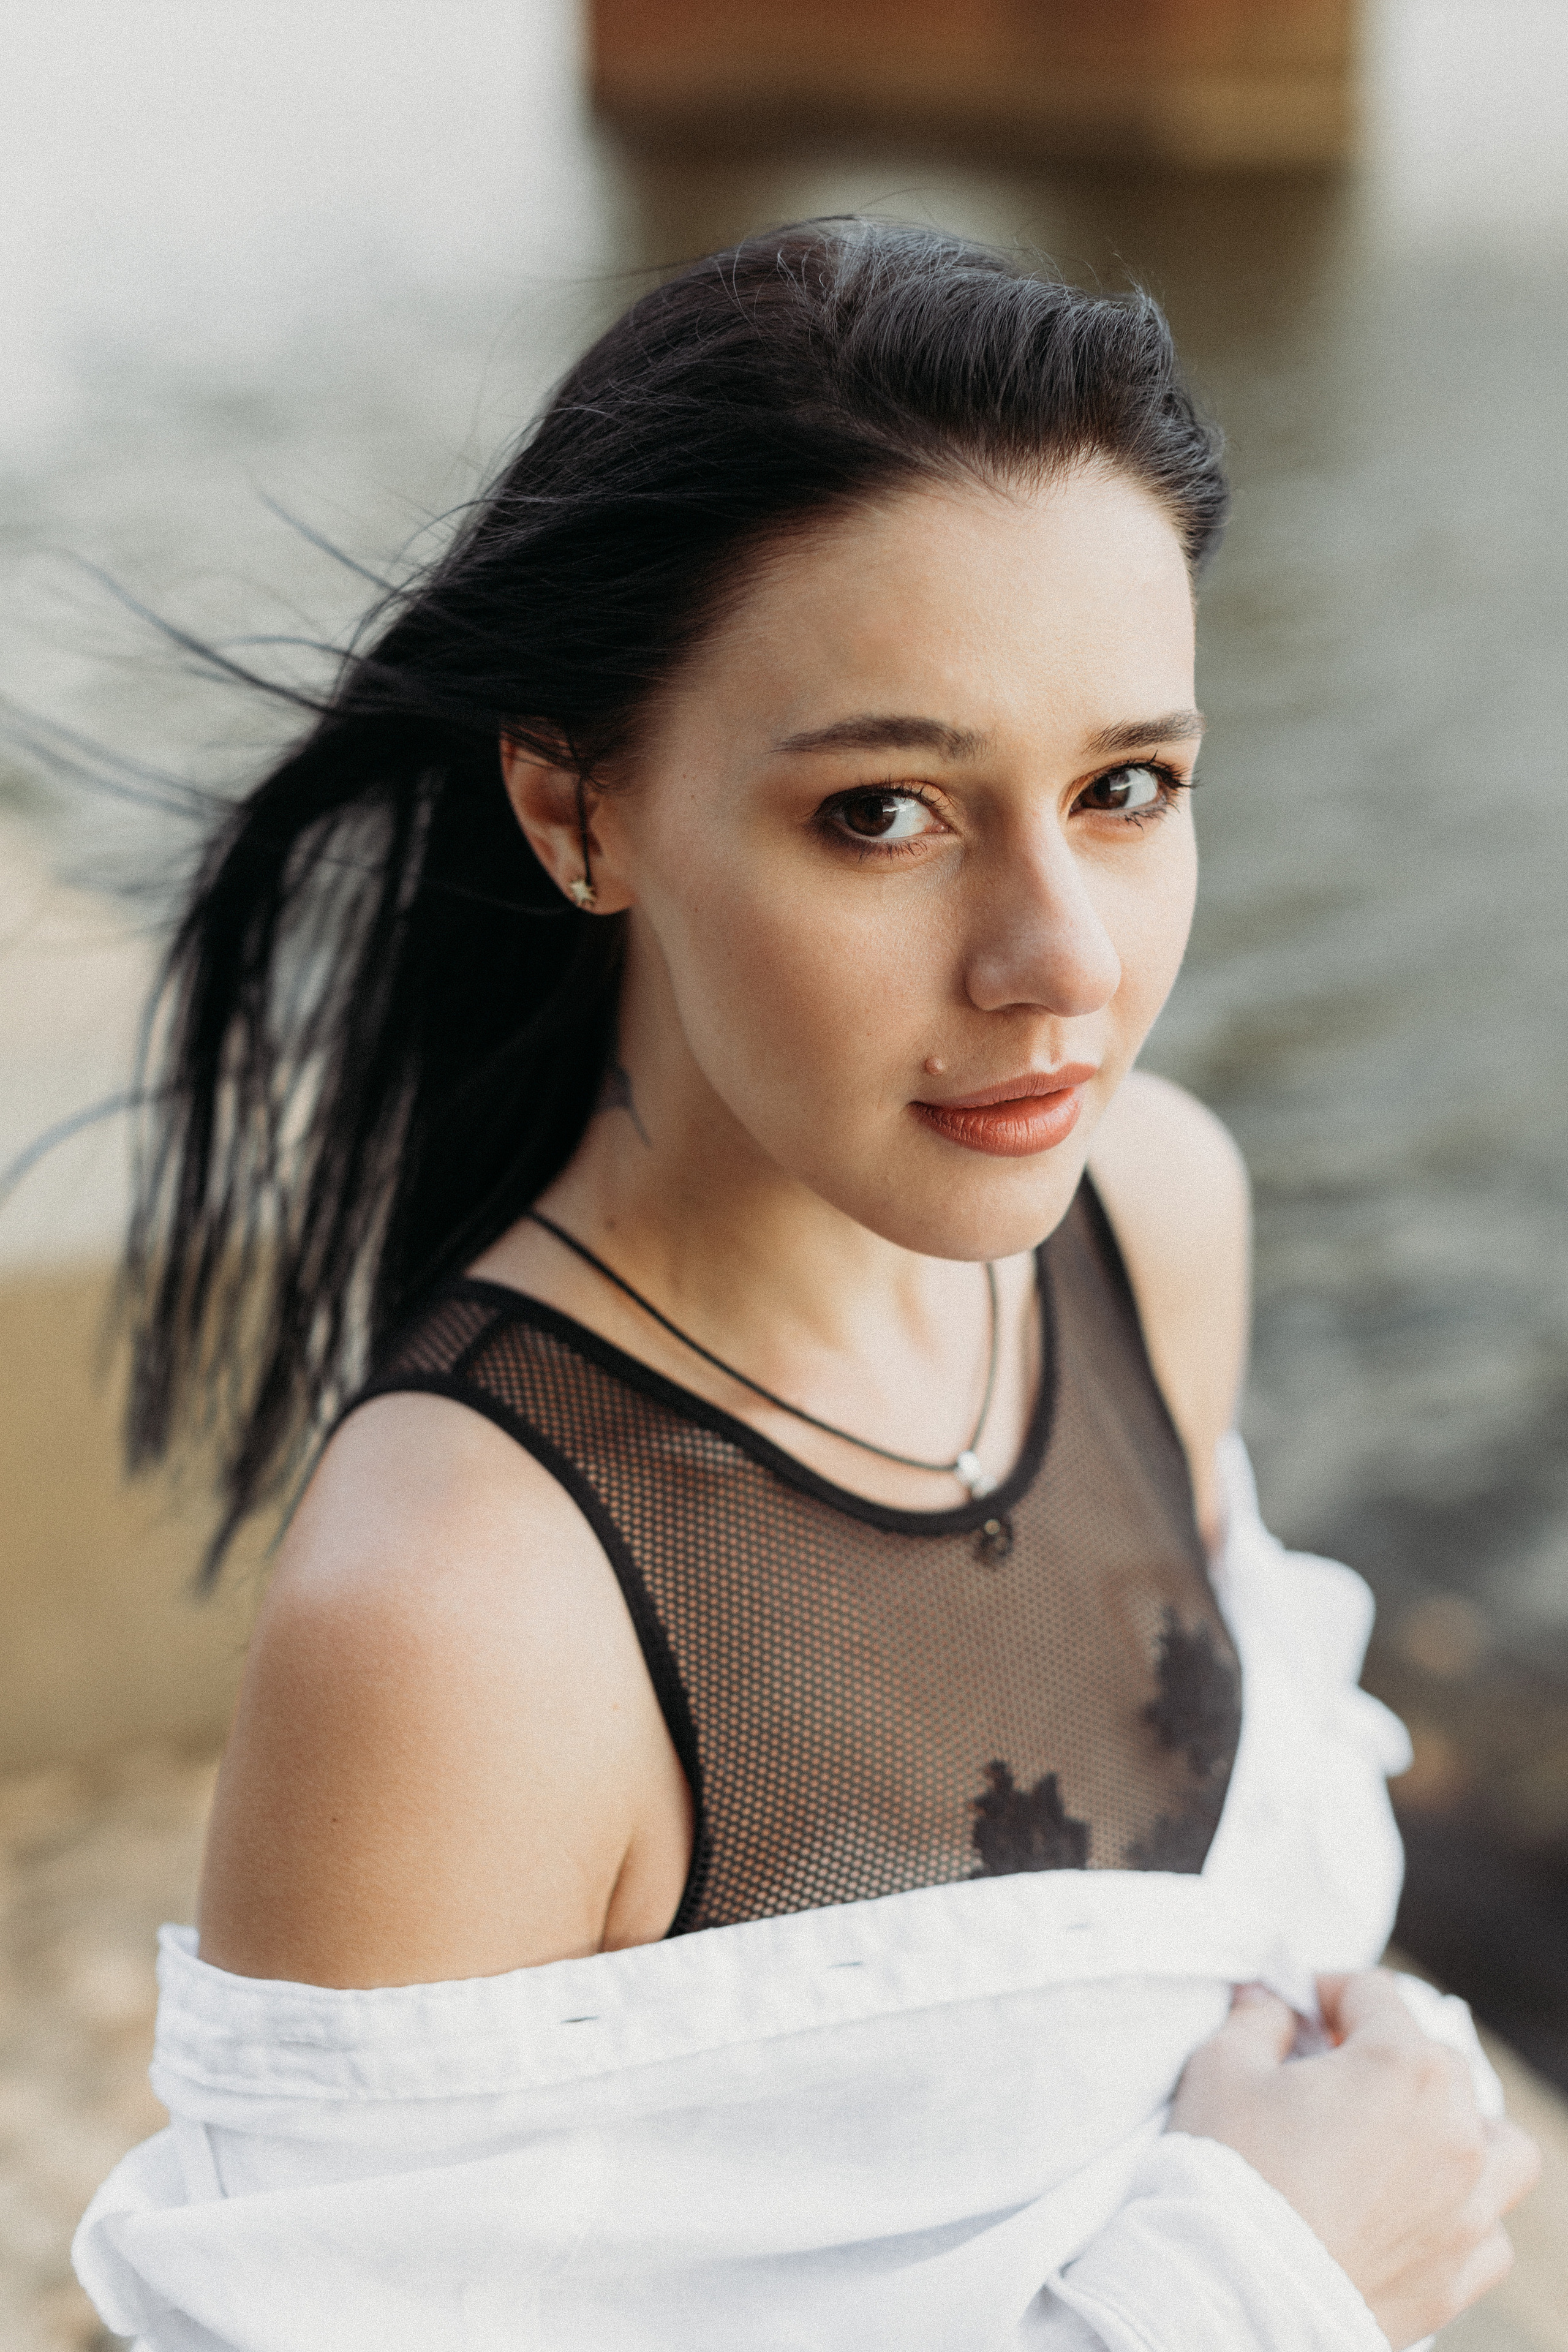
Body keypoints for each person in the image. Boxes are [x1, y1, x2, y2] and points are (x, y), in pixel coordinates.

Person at [75, 221, 1537, 2351]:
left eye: (1127, 788)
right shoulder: (472, 1621)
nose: (1063, 966)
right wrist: (1260, 2284)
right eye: (886, 813)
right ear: (580, 812)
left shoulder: (1144, 1221)